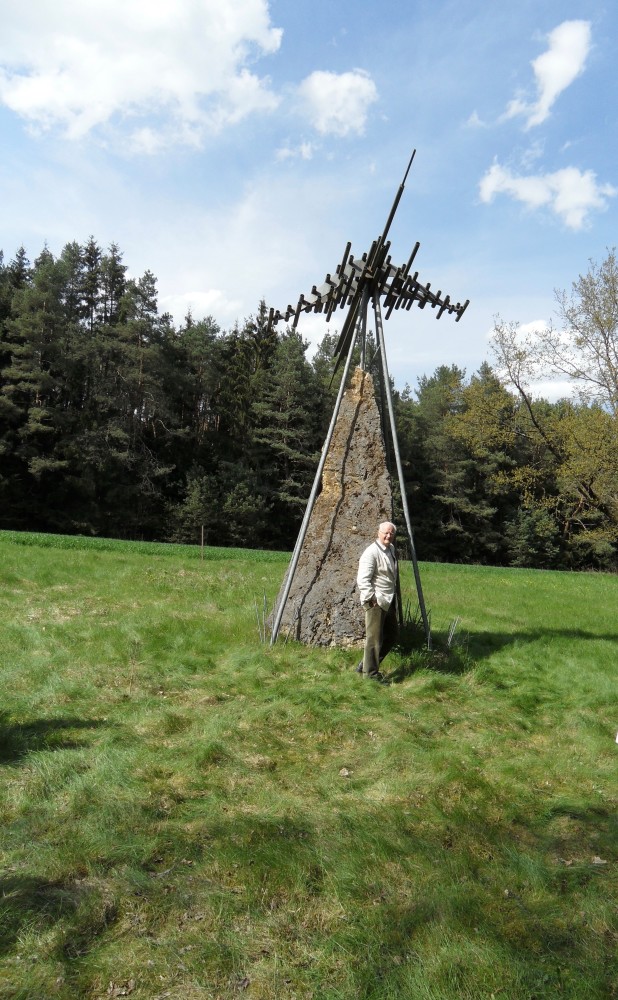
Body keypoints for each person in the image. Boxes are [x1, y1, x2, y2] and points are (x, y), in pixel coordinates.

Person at [356, 521, 399, 683]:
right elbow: (363, 579)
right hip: (376, 601)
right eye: (385, 533)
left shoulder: (391, 549)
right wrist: (371, 598)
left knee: (392, 635)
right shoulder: (371, 553)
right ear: (378, 533)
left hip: (388, 600)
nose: (388, 536)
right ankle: (370, 676)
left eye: (391, 534)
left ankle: (365, 665)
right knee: (374, 640)